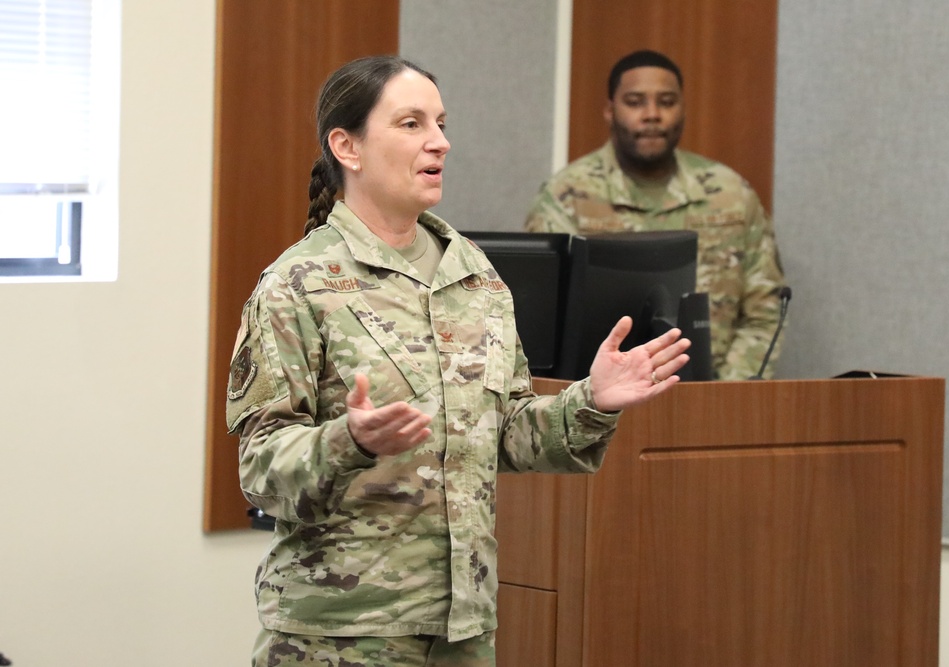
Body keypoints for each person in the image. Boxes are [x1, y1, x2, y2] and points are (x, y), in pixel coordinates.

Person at [225, 54, 691, 667]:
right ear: (347, 146)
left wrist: (590, 401)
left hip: (462, 630)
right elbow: (259, 470)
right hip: (338, 634)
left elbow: (507, 434)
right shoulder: (297, 284)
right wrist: (349, 440)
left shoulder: (473, 275)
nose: (440, 142)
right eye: (411, 124)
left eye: (441, 123)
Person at [525, 49, 787, 381]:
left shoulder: (731, 195)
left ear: (683, 109)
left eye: (666, 102)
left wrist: (724, 396)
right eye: (635, 102)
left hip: (715, 402)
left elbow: (765, 311)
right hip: (597, 406)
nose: (652, 114)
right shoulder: (566, 197)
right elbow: (545, 327)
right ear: (609, 110)